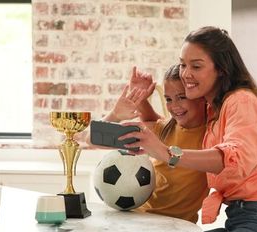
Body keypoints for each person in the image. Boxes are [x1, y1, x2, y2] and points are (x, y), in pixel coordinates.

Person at [119, 26, 257, 232]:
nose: (186, 73)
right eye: (183, 64)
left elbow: (235, 158)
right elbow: (167, 126)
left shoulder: (241, 100)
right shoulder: (213, 110)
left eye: (196, 66)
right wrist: (141, 101)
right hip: (240, 220)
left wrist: (166, 153)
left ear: (222, 69)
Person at [88, 64, 209, 223]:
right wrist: (116, 114)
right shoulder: (163, 128)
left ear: (200, 96)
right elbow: (92, 139)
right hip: (137, 220)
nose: (174, 106)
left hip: (177, 228)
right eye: (168, 99)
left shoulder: (211, 134)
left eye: (182, 97)